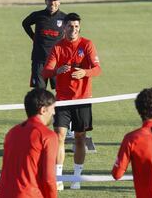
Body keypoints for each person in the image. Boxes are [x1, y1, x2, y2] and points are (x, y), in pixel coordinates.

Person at [42, 12, 101, 190]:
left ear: (79, 27)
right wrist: (57, 71)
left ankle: (76, 177)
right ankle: (58, 178)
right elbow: (45, 72)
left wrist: (85, 72)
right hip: (62, 101)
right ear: (64, 27)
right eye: (70, 26)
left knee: (79, 139)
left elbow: (98, 69)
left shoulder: (87, 44)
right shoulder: (58, 47)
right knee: (59, 137)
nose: (73, 29)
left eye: (76, 26)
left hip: (82, 100)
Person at [0, 88, 58, 198]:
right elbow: (49, 178)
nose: (54, 112)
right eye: (53, 108)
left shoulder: (12, 132)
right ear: (43, 110)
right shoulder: (48, 135)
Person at [22, 0, 66, 89]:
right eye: (50, 0)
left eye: (55, 0)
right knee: (39, 92)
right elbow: (25, 23)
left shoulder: (65, 18)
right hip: (39, 59)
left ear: (59, 2)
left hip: (57, 61)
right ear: (45, 1)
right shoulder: (38, 15)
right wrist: (33, 37)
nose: (52, 3)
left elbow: (74, 31)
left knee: (61, 90)